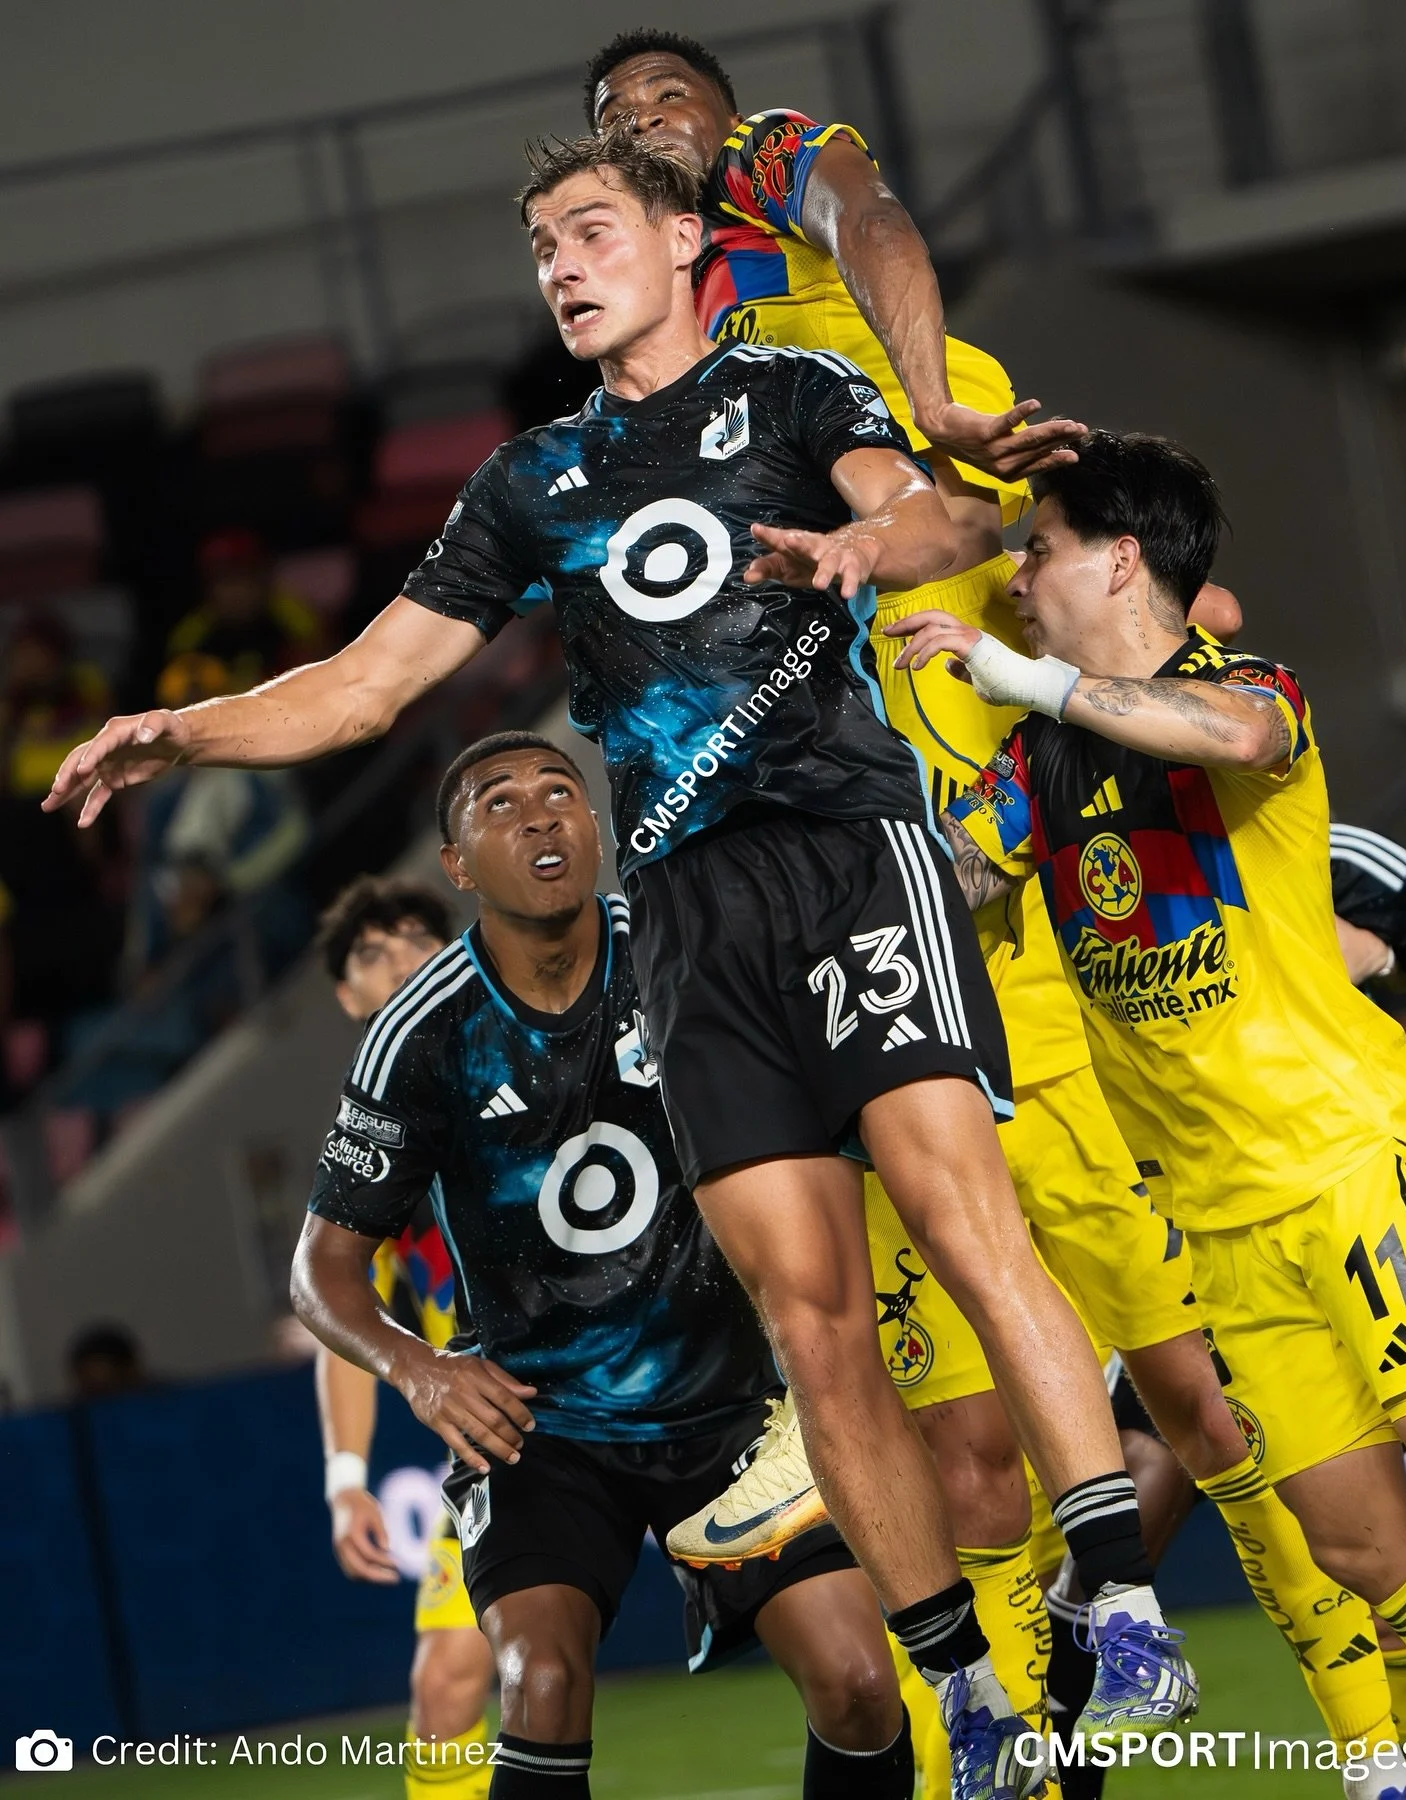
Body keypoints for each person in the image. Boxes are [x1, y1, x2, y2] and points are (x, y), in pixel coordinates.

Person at [43, 130, 1188, 1795]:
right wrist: (182, 730)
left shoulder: (794, 390)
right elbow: (365, 689)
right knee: (812, 1322)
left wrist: (874, 550)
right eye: (541, 250)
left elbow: (935, 523)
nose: (562, 268)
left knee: (959, 1212)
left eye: (589, 233)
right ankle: (973, 1696)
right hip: (694, 919)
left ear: (678, 245)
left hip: (847, 858)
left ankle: (1124, 1601)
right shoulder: (529, 482)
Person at [582, 32, 1365, 1786]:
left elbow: (1179, 594)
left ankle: (1372, 1737)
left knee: (1208, 1409)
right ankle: (1023, 1751)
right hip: (857, 969)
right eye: (616, 126)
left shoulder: (890, 361)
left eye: (671, 107)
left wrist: (937, 412)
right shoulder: (657, 459)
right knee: (961, 1466)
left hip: (1044, 1004)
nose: (648, 130)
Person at [903, 427, 1406, 1796]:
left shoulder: (1250, 689)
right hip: (1223, 1223)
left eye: (1039, 549)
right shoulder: (1036, 764)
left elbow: (1238, 736)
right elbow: (945, 885)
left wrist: (1029, 680)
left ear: (1121, 560)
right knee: (1370, 1553)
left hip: (1351, 1160)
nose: (1018, 577)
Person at [293, 732, 915, 1800]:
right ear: (456, 863)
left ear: (595, 825)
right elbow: (322, 1271)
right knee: (535, 1681)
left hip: (735, 1412)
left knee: (863, 1685)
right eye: (500, 803)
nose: (541, 816)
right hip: (540, 1426)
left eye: (560, 793)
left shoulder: (687, 945)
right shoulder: (420, 1037)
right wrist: (421, 1370)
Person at [312, 875, 497, 1800]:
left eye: (415, 941)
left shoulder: (530, 1043)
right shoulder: (364, 1147)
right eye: (369, 956)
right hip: (503, 1433)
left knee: (833, 1639)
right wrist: (347, 1482)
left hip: (659, 1381)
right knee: (445, 1684)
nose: (396, 967)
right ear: (348, 996)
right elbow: (338, 1314)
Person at [166, 528, 321, 692]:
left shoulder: (294, 618)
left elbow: (322, 671)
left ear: (262, 578)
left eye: (243, 577)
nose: (236, 591)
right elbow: (176, 698)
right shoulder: (190, 637)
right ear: (208, 587)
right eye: (225, 581)